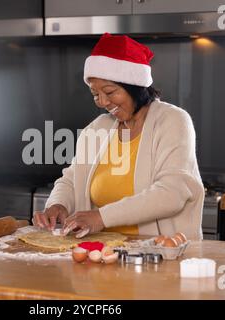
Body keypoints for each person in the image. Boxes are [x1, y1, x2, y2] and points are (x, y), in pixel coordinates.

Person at [33, 33, 204, 240]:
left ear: (135, 86)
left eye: (110, 91)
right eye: (95, 94)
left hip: (161, 255)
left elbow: (171, 193)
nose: (103, 102)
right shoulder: (97, 129)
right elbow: (71, 179)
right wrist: (57, 204)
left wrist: (100, 217)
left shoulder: (173, 121)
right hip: (104, 255)